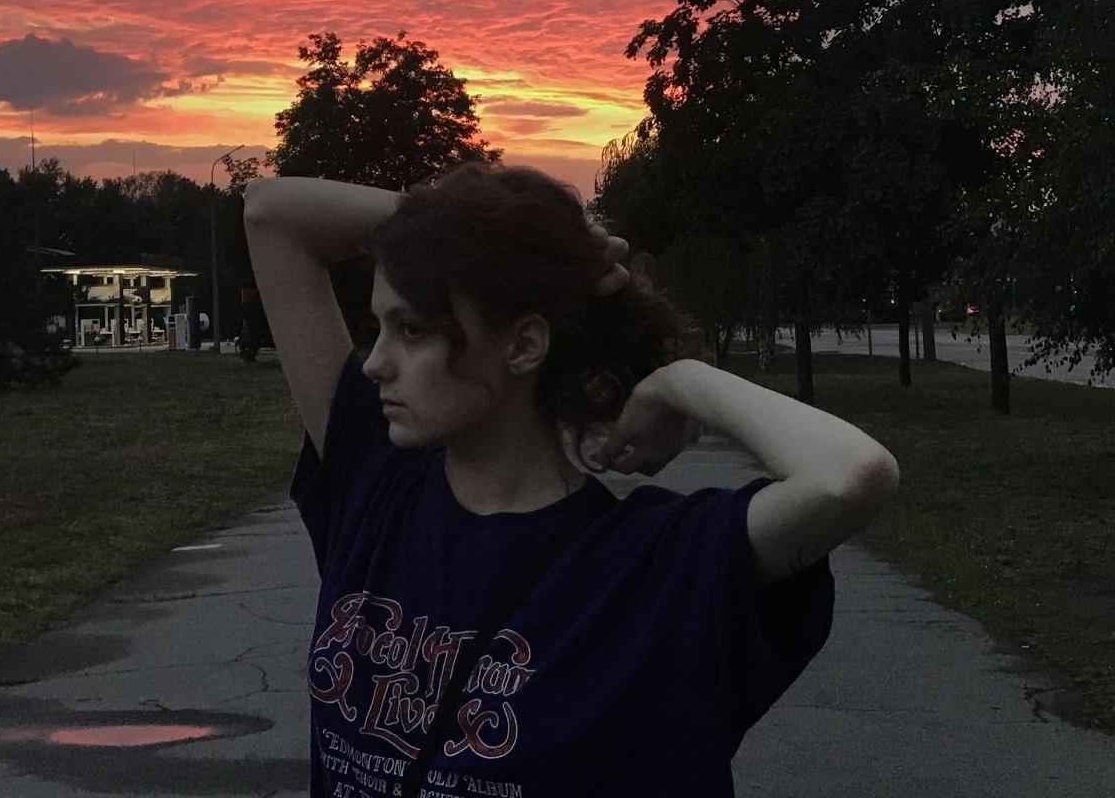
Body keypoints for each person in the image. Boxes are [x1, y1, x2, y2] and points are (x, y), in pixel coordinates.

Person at [243, 161, 900, 797]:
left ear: (523, 345)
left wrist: (683, 383)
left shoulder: (655, 566)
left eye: (412, 329)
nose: (375, 364)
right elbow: (271, 213)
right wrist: (507, 241)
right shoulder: (375, 483)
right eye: (379, 328)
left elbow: (851, 475)